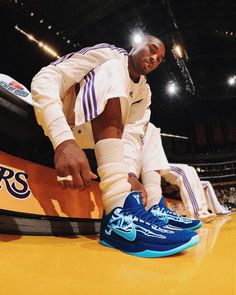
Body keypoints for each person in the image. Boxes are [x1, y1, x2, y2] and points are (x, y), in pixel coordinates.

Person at [31, 36, 198, 258]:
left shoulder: (144, 92)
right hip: (64, 124)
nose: (154, 58)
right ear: (135, 45)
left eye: (159, 59)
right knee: (113, 68)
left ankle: (154, 207)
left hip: (94, 137)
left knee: (150, 131)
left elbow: (131, 136)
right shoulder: (109, 53)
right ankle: (117, 212)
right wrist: (63, 140)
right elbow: (45, 78)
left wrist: (128, 172)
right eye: (151, 49)